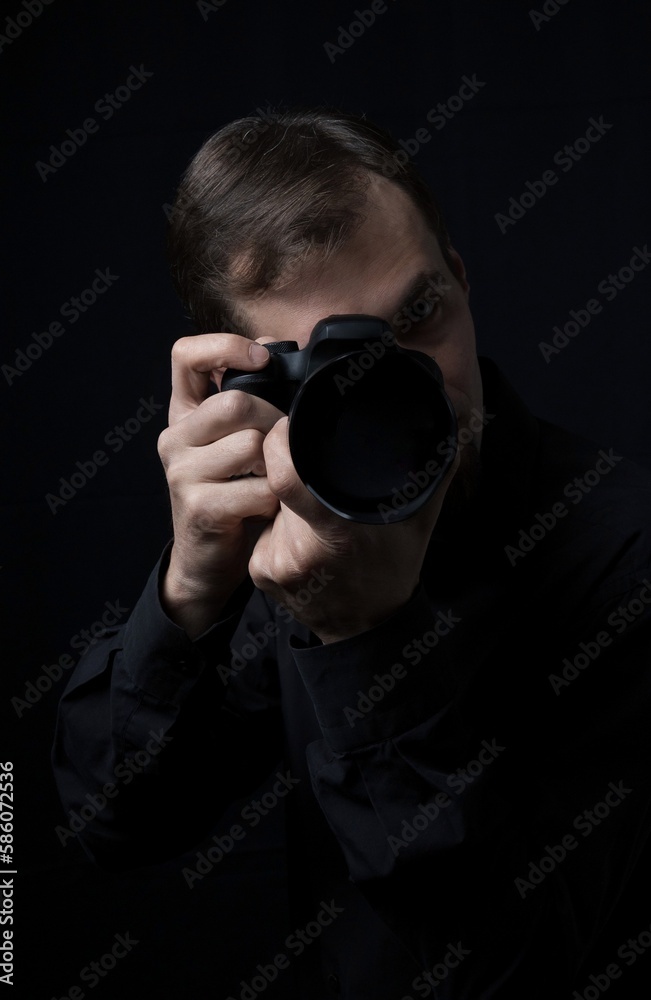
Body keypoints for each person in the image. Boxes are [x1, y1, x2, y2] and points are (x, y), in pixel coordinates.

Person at [52, 108, 651, 999]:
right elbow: (116, 822)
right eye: (337, 362)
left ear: (459, 278)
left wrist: (367, 644)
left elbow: (514, 975)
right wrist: (188, 587)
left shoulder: (625, 552)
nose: (406, 381)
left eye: (415, 315)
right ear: (238, 383)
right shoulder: (283, 542)